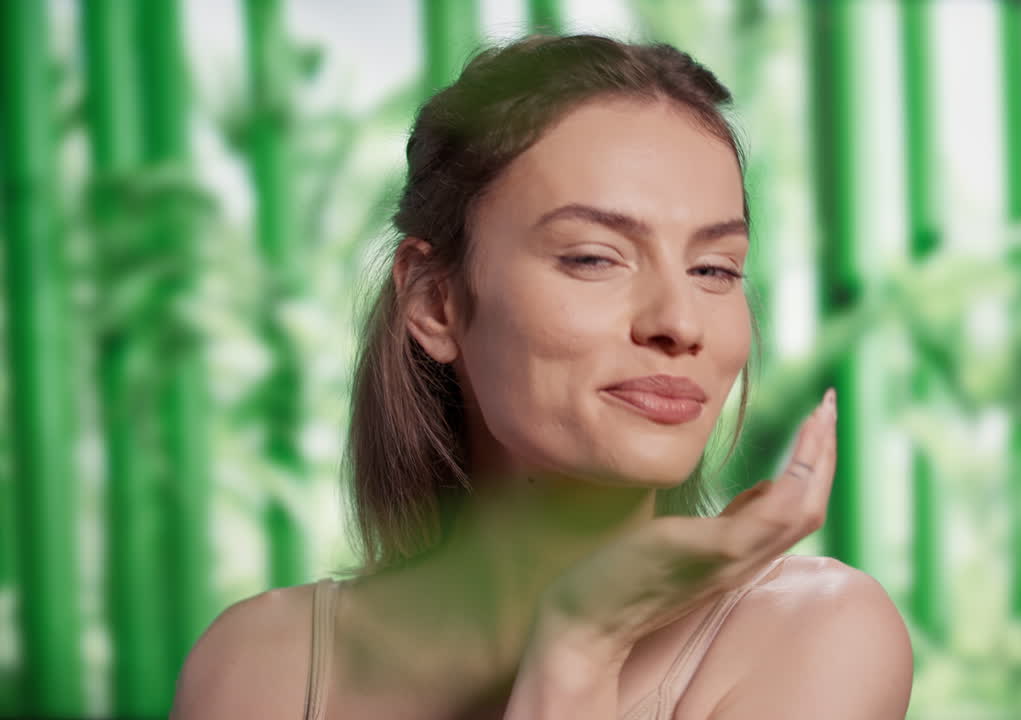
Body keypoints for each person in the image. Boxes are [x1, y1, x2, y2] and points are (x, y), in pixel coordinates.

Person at [170, 33, 912, 720]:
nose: (679, 322)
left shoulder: (814, 636)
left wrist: (581, 640)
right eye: (593, 258)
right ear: (435, 300)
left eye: (714, 269)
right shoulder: (258, 668)